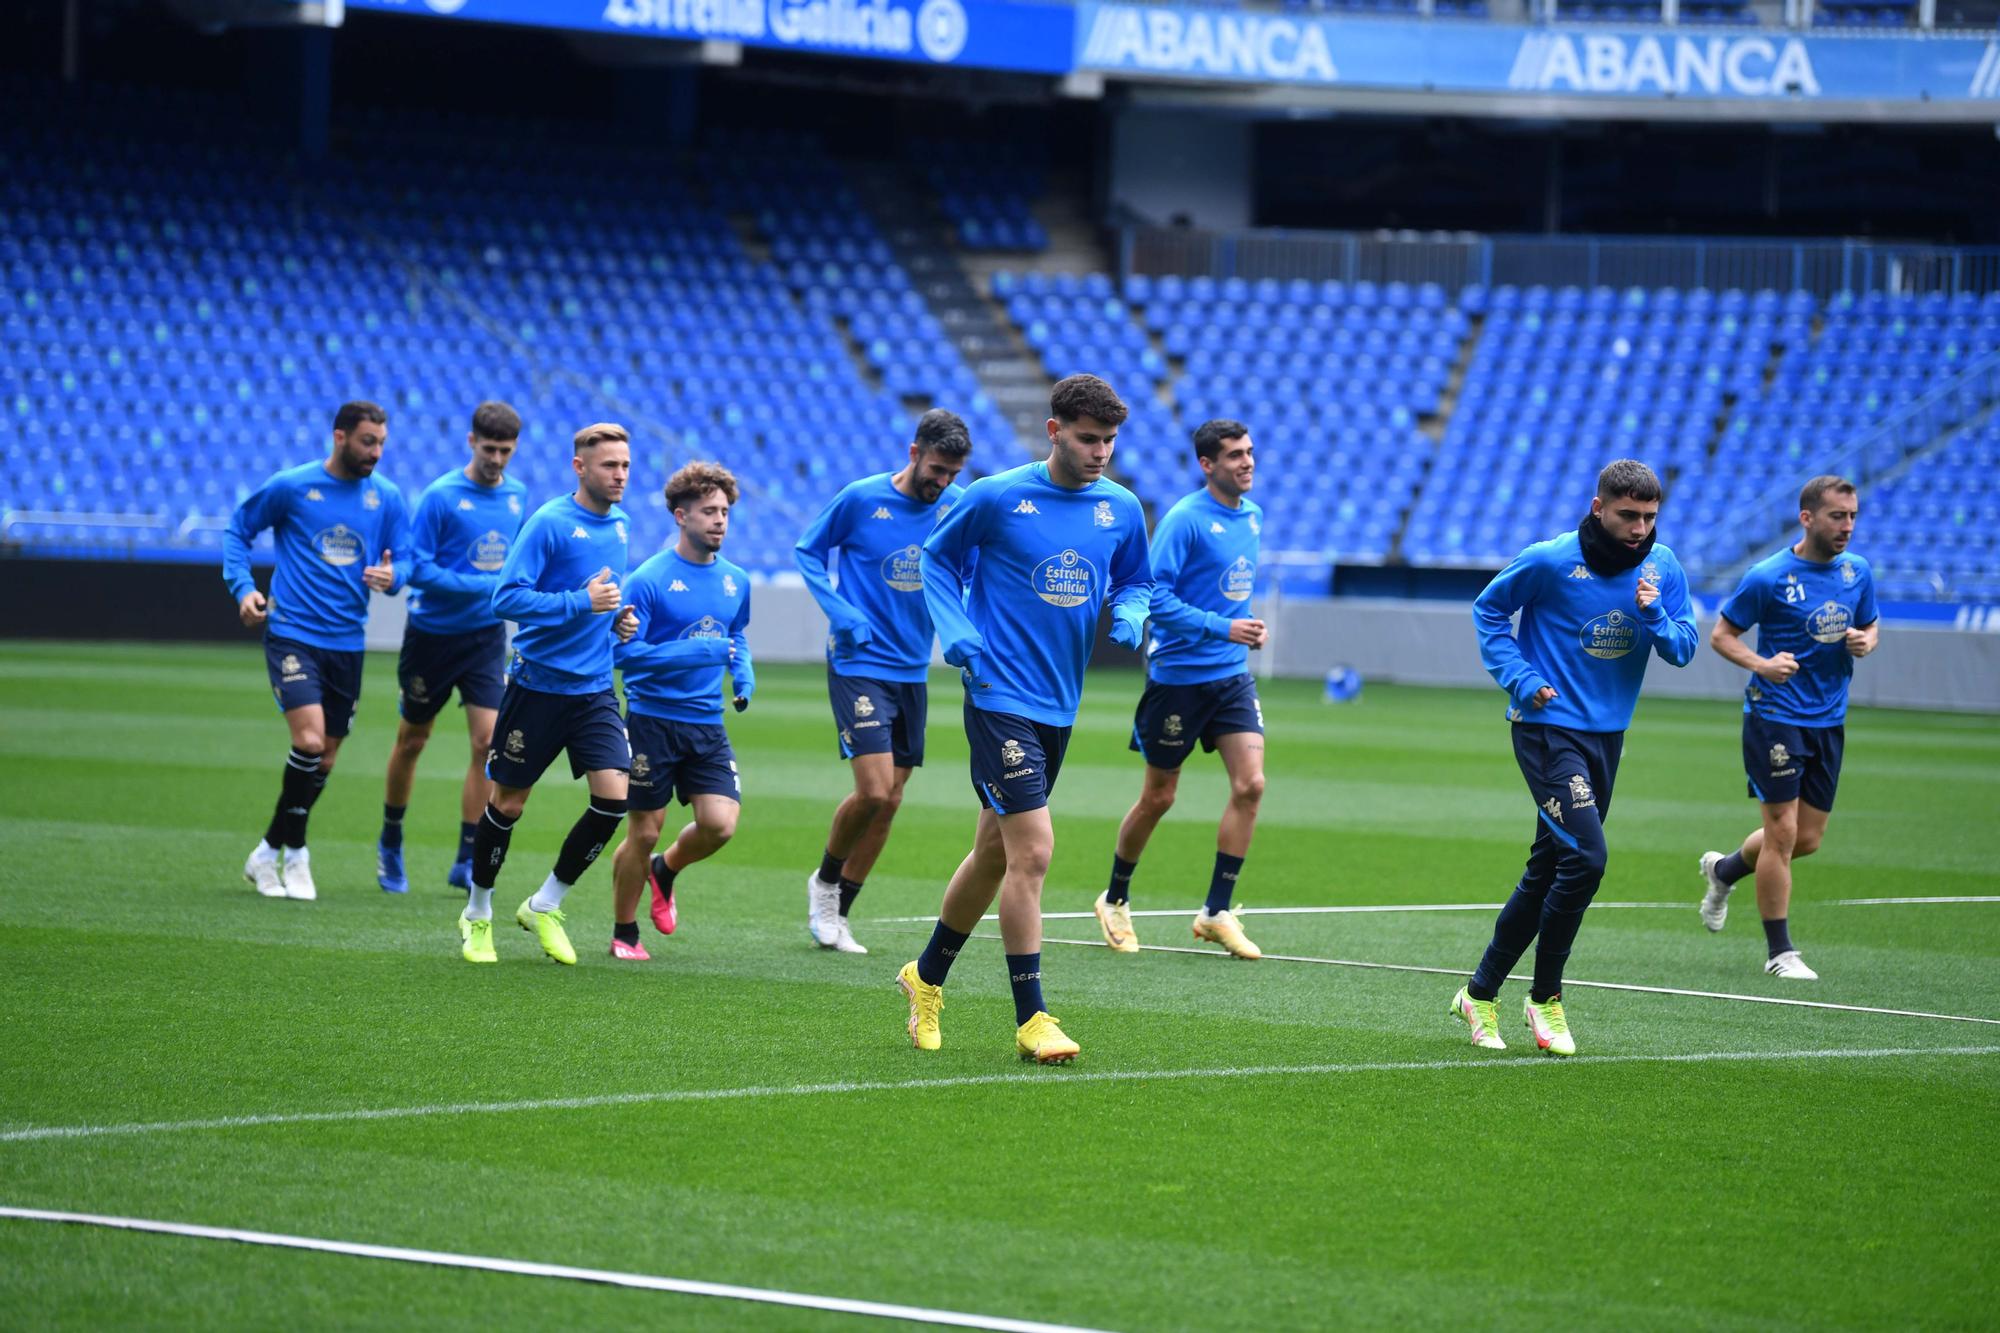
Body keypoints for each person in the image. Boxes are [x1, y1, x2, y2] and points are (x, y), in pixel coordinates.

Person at [896, 374, 1151, 1064]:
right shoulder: (997, 496)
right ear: (1054, 431)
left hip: (1058, 702)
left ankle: (924, 976)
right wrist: (957, 630)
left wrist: (1130, 610)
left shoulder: (1121, 509)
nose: (1100, 452)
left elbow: (1136, 577)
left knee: (994, 853)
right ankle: (1033, 1015)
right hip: (997, 694)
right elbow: (936, 561)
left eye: (1109, 440)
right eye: (1088, 438)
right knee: (1033, 849)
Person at [1450, 460, 1698, 1055]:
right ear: (1598, 508)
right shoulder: (1552, 559)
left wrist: (1654, 615)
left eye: (1649, 517)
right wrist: (1518, 676)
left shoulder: (1662, 569)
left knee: (1549, 869)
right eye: (1628, 516)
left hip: (1607, 736)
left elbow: (1685, 648)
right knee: (1587, 858)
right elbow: (1488, 610)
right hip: (1545, 727)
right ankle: (1545, 998)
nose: (1640, 528)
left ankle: (1479, 993)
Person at [458, 422, 638, 966]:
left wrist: (616, 623)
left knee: (614, 798)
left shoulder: (624, 524)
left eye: (626, 465)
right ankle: (478, 912)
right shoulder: (550, 523)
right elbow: (505, 598)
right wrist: (580, 604)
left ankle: (544, 903)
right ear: (580, 468)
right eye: (609, 465)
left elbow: (602, 601)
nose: (620, 475)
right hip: (536, 687)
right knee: (508, 804)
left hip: (593, 690)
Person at [794, 409, 972, 955]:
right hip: (859, 662)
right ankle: (824, 884)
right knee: (872, 789)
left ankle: (842, 911)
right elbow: (807, 550)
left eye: (952, 474)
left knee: (890, 801)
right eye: (936, 468)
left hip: (912, 667)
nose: (942, 482)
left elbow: (966, 571)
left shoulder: (956, 506)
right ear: (914, 451)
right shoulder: (860, 498)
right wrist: (839, 610)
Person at [224, 400, 408, 903]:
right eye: (368, 442)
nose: (375, 452)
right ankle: (298, 854)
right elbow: (238, 531)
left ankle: (265, 851)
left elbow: (407, 559)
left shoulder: (386, 497)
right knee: (308, 743)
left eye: (382, 444)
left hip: (348, 642)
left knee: (323, 761)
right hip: (293, 633)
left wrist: (394, 577)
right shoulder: (292, 486)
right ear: (340, 436)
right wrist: (243, 588)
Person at [1099, 418, 1268, 960]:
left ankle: (1217, 911)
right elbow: (1155, 597)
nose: (1246, 462)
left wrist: (1237, 634)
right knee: (1159, 797)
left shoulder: (1254, 517)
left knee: (1251, 785)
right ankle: (1115, 898)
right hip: (1177, 680)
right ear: (1207, 464)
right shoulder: (1185, 521)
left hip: (1231, 677)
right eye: (1235, 455)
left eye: (1249, 452)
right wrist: (1224, 626)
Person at [1697, 475, 1878, 980]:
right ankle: (1780, 951)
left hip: (1829, 719)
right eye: (1837, 516)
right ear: (1807, 518)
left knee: (1808, 838)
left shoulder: (1857, 572)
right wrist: (1761, 664)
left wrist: (1866, 641)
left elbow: (1870, 624)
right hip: (1774, 716)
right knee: (1782, 832)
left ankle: (1725, 870)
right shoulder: (1768, 576)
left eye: (1853, 516)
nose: (1847, 526)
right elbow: (1722, 635)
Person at [604, 462, 755, 962]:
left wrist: (744, 676)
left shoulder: (736, 581)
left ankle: (663, 870)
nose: (719, 521)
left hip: (707, 721)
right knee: (644, 828)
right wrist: (694, 653)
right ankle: (624, 931)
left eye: (725, 512)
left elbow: (736, 638)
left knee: (720, 825)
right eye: (708, 511)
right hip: (652, 719)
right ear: (680, 516)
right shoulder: (648, 579)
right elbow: (622, 654)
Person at [376, 402, 527, 895]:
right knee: (413, 740)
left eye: (505, 451)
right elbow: (418, 567)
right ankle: (391, 840)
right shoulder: (442, 497)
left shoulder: (517, 497)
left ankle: (466, 856)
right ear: (471, 442)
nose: (497, 460)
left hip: (485, 638)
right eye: (489, 449)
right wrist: (484, 588)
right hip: (433, 637)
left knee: (488, 744)